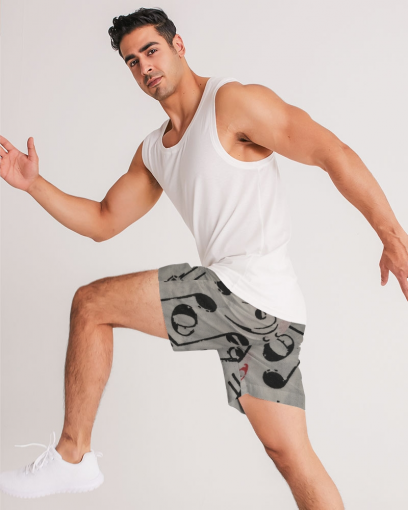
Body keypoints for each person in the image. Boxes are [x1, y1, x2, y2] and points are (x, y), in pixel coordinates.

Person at [1, 6, 407, 509]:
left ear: (178, 46)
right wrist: (34, 184)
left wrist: (393, 237)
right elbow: (104, 220)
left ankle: (72, 455)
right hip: (272, 315)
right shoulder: (155, 150)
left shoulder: (230, 103)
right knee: (291, 456)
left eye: (151, 50)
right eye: (132, 61)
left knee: (91, 304)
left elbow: (332, 152)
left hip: (246, 291)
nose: (145, 67)